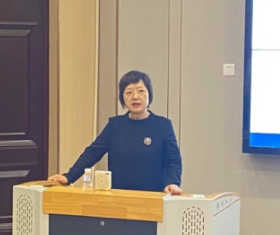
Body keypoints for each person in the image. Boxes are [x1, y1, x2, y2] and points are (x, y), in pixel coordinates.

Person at [49, 70, 183, 195]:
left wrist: (172, 183)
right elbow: (91, 154)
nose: (135, 97)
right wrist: (69, 177)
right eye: (128, 92)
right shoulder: (115, 125)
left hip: (153, 197)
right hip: (119, 196)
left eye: (141, 91)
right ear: (122, 97)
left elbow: (173, 161)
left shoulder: (163, 125)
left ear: (149, 94)